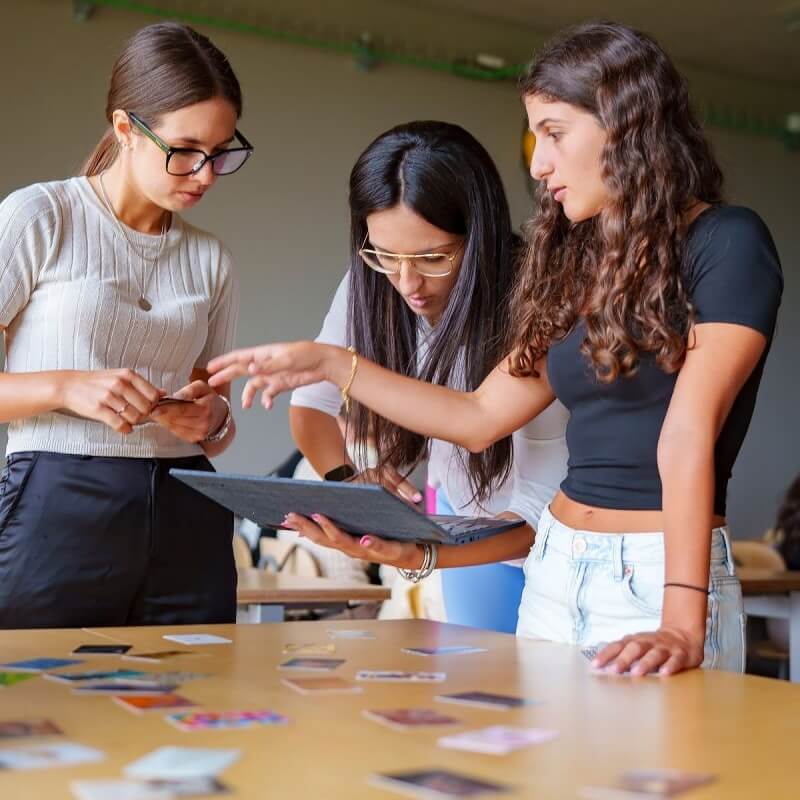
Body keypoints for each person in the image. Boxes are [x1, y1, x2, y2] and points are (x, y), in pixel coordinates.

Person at [209, 21, 783, 676]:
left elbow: (687, 435)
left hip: (655, 578)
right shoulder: (580, 265)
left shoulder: (730, 241)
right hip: (554, 567)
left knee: (655, 778)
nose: (537, 163)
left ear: (626, 124)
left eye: (554, 133)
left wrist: (683, 620)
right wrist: (331, 363)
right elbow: (477, 417)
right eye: (534, 136)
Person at [0, 22, 253, 628]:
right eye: (187, 150)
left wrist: (212, 418)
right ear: (124, 130)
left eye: (221, 153)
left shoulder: (211, 259)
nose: (206, 174)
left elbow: (215, 415)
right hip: (56, 505)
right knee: (38, 709)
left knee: (190, 704)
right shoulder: (42, 216)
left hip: (190, 510)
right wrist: (66, 387)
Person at [287, 121, 569, 630]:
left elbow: (541, 507)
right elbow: (312, 408)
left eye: (433, 257)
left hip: (554, 556)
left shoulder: (539, 296)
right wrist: (349, 482)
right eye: (386, 256)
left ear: (477, 237)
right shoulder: (368, 288)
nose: (407, 282)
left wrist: (422, 555)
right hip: (468, 552)